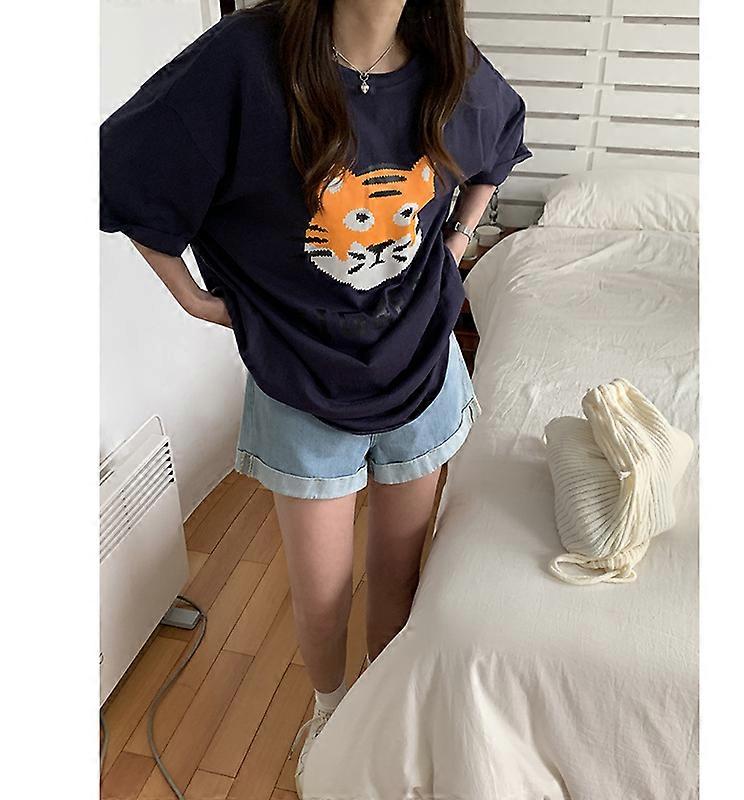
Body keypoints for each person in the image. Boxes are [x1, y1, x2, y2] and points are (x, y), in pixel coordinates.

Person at [100, 0, 530, 791]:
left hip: (420, 365)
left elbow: (499, 140)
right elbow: (123, 165)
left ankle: (380, 712)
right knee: (321, 592)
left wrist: (458, 240)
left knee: (399, 577)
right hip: (302, 376)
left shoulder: (446, 59)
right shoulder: (245, 60)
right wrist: (192, 298)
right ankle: (331, 713)